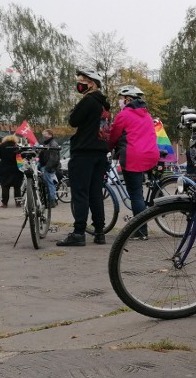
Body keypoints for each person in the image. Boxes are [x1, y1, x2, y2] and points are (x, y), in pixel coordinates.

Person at [57, 67, 111, 247]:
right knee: (96, 193)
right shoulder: (104, 104)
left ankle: (79, 232)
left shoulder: (88, 100)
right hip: (100, 152)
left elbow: (73, 121)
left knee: (80, 193)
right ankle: (100, 232)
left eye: (82, 80)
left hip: (84, 152)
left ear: (92, 84)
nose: (79, 83)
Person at [108, 86, 159, 239]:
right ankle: (147, 208)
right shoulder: (146, 114)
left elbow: (114, 135)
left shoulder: (124, 115)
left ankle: (141, 231)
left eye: (121, 98)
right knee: (141, 193)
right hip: (150, 155)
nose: (120, 101)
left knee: (136, 195)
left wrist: (107, 147)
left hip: (133, 157)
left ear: (128, 99)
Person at [37, 128, 61, 207]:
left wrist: (47, 167)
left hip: (48, 167)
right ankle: (48, 200)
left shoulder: (53, 144)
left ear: (50, 135)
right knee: (47, 183)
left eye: (45, 134)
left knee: (50, 184)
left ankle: (51, 201)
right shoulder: (47, 143)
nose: (43, 135)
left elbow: (54, 158)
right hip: (44, 165)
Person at [0, 134, 22, 207]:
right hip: (16, 169)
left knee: (5, 186)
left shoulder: (2, 146)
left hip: (5, 168)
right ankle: (18, 203)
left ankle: (5, 203)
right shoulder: (17, 146)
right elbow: (21, 156)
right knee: (17, 187)